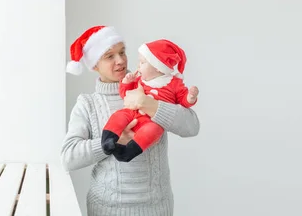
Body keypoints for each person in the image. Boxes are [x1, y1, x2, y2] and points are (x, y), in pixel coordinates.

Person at [61, 25, 200, 216]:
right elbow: (69, 158)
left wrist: (149, 104)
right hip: (106, 209)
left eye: (122, 52)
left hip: (156, 208)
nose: (120, 60)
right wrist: (110, 143)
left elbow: (192, 127)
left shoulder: (154, 88)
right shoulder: (88, 104)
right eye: (109, 56)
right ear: (94, 65)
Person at [102, 39, 199, 162]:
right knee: (119, 116)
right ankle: (108, 140)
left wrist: (190, 98)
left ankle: (128, 152)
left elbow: (183, 101)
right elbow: (126, 94)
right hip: (132, 113)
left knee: (153, 131)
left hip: (151, 122)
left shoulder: (173, 83)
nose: (138, 66)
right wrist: (127, 83)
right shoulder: (138, 79)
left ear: (158, 67)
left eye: (142, 63)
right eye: (109, 56)